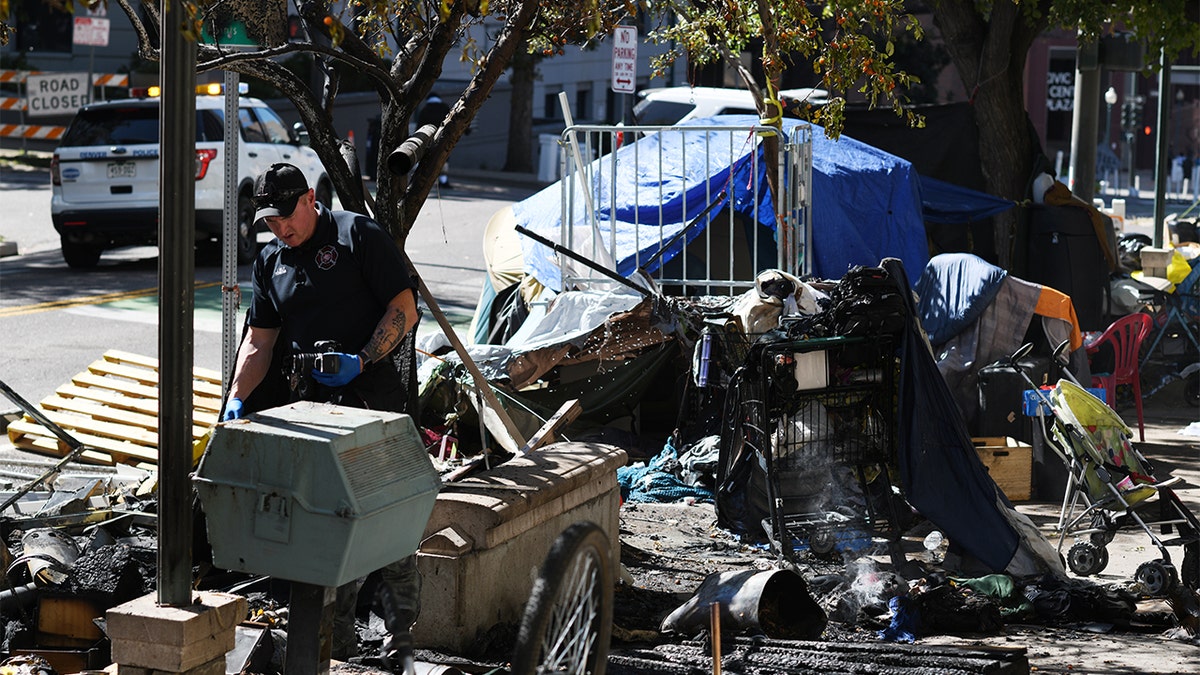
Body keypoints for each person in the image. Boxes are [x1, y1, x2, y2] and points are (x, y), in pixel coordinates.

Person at [222, 162, 422, 667]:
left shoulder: (358, 235)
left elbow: (404, 307)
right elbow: (258, 342)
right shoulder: (270, 261)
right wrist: (235, 401)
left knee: (390, 527)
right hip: (312, 412)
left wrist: (364, 358)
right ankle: (341, 649)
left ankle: (402, 640)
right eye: (270, 221)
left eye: (287, 216)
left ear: (310, 199)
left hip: (374, 405)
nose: (280, 228)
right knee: (327, 529)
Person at [417, 93, 452, 188]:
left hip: (429, 139)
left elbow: (420, 126)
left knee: (427, 160)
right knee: (444, 159)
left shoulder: (425, 110)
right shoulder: (445, 108)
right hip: (444, 138)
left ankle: (423, 182)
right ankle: (443, 181)